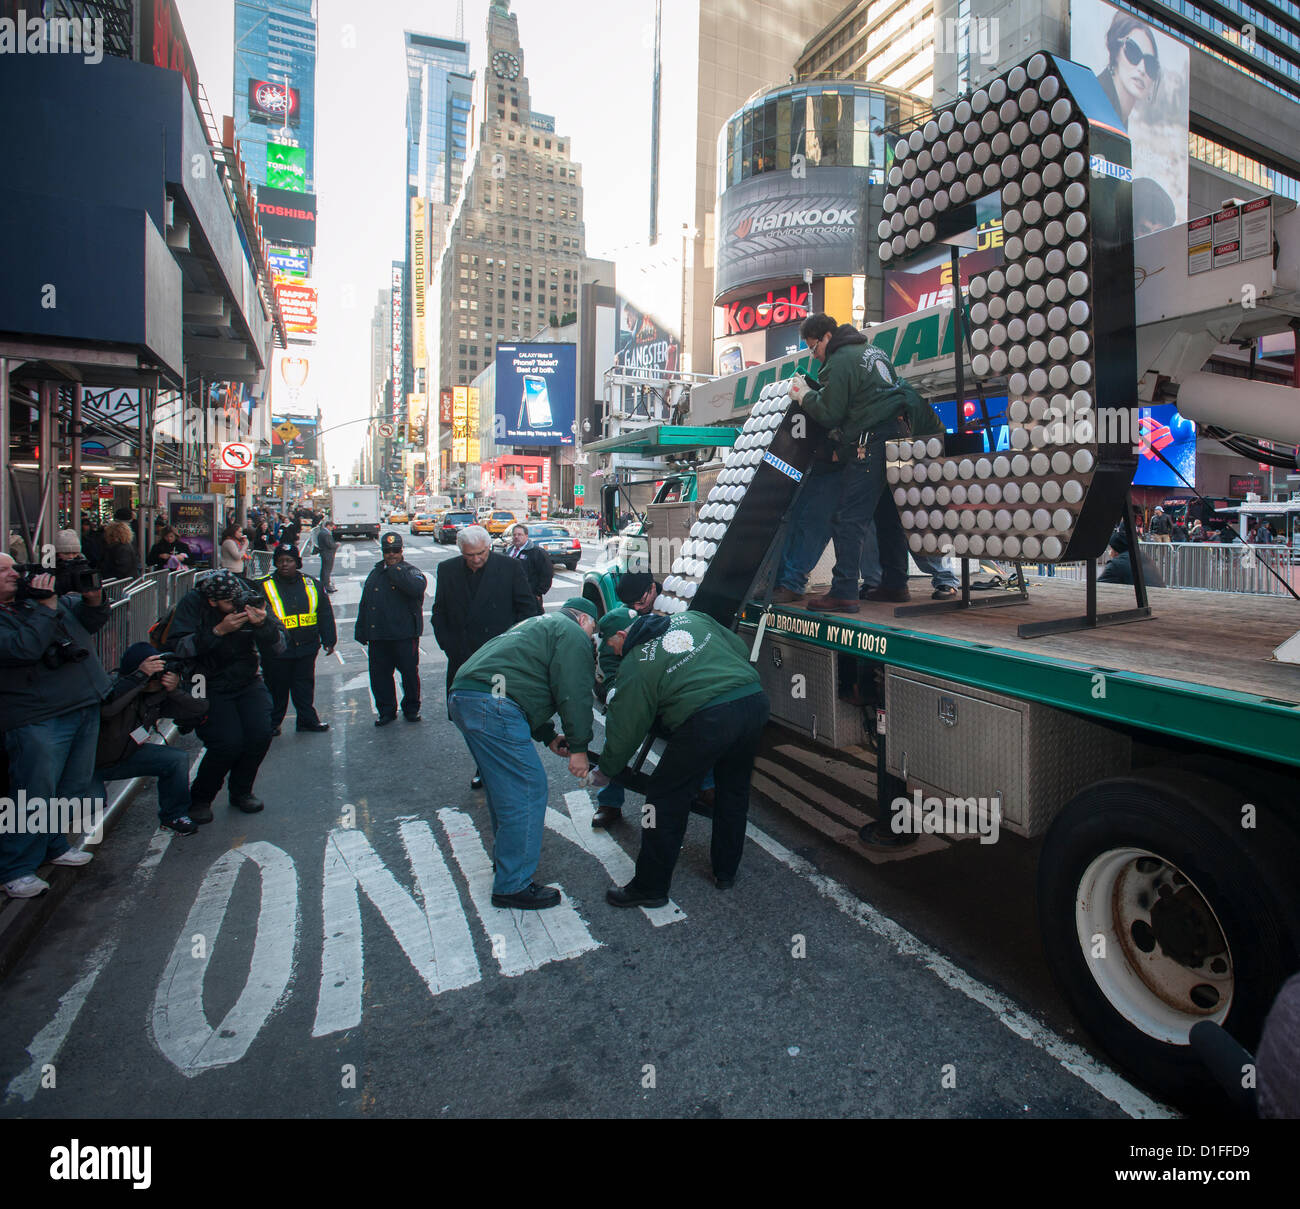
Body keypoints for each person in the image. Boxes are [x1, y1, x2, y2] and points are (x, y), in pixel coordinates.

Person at [594, 609, 770, 907]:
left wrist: (607, 769)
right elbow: (739, 648)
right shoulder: (692, 618)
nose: (614, 653)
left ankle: (650, 887)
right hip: (753, 701)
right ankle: (725, 872)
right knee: (734, 790)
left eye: (612, 646)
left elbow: (625, 729)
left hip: (709, 718)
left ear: (623, 635)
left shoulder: (637, 662)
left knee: (664, 800)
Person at [448, 598, 598, 910]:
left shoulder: (536, 625)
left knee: (504, 789)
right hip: (493, 704)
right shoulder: (570, 633)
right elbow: (574, 692)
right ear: (583, 618)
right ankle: (512, 883)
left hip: (465, 695)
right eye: (593, 630)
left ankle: (507, 865)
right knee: (527, 789)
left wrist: (547, 735)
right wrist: (579, 749)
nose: (591, 638)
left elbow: (521, 680)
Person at [787, 312, 915, 611]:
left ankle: (843, 591)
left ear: (827, 337)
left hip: (872, 442)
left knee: (848, 518)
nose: (815, 356)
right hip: (900, 439)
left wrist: (805, 395)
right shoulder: (875, 351)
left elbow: (831, 413)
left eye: (813, 347)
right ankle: (896, 585)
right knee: (889, 516)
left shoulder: (840, 360)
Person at [0, 552, 110, 897]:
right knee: (32, 793)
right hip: (36, 715)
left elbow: (89, 622)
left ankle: (53, 845)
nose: (13, 574)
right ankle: (16, 867)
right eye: (3, 570)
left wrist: (94, 599)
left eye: (14, 567)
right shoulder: (36, 607)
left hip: (81, 703)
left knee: (71, 787)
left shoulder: (37, 601)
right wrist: (45, 609)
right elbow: (23, 648)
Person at [165, 569, 285, 816]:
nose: (235, 607)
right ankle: (201, 798)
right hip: (205, 681)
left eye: (237, 600)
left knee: (260, 733)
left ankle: (242, 791)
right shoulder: (192, 604)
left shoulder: (248, 597)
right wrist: (218, 631)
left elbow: (280, 644)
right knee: (226, 743)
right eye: (228, 603)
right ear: (211, 601)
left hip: (246, 676)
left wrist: (262, 624)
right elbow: (179, 647)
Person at [432, 525, 535, 786]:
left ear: (489, 547)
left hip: (500, 657)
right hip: (463, 658)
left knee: (502, 714)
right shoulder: (447, 570)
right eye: (470, 555)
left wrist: (515, 647)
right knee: (469, 719)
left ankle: (500, 766)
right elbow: (439, 613)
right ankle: (483, 763)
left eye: (481, 553)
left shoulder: (509, 568)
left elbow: (527, 611)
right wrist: (449, 646)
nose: (476, 559)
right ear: (461, 552)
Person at [93, 643, 208, 836]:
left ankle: (174, 815)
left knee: (175, 759)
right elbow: (106, 710)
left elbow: (199, 707)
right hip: (90, 766)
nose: (157, 678)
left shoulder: (155, 696)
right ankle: (51, 844)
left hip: (126, 756)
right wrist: (139, 679)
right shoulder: (112, 685)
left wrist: (175, 690)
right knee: (91, 801)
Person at [260, 543, 336, 736]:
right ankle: (272, 723)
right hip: (278, 648)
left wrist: (329, 639)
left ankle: (307, 720)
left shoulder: (312, 584)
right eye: (280, 561)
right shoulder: (264, 586)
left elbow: (324, 612)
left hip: (306, 645)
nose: (284, 565)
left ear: (297, 563)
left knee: (304, 687)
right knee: (277, 688)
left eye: (289, 560)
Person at [355, 532, 427, 726]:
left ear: (401, 551)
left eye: (395, 551)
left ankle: (411, 708)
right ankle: (386, 711)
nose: (391, 555)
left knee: (409, 675)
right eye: (387, 552)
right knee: (380, 677)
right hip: (379, 636)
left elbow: (416, 588)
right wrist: (361, 629)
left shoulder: (410, 571)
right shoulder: (376, 572)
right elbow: (367, 603)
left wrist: (395, 570)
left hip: (403, 635)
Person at [1094, 11, 1161, 130]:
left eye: (1150, 64)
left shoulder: (1119, 116)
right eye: (1133, 52)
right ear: (1116, 51)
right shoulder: (1097, 99)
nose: (1142, 69)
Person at [504, 523, 552, 613]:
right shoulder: (509, 551)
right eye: (514, 535)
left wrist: (538, 593)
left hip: (530, 597)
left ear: (526, 536)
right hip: (510, 596)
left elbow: (547, 574)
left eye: (519, 534)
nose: (516, 537)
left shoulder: (537, 552)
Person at [1098, 527, 1166, 587]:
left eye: (1111, 549)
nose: (1110, 552)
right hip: (1160, 596)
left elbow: (1098, 587)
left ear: (1116, 550)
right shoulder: (1143, 555)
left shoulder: (1116, 564)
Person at [316, 518, 338, 593]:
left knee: (324, 570)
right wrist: (336, 545)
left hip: (324, 553)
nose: (332, 529)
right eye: (332, 527)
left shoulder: (322, 532)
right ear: (328, 526)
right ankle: (327, 586)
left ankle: (323, 584)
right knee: (327, 570)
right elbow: (329, 544)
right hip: (327, 554)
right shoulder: (326, 534)